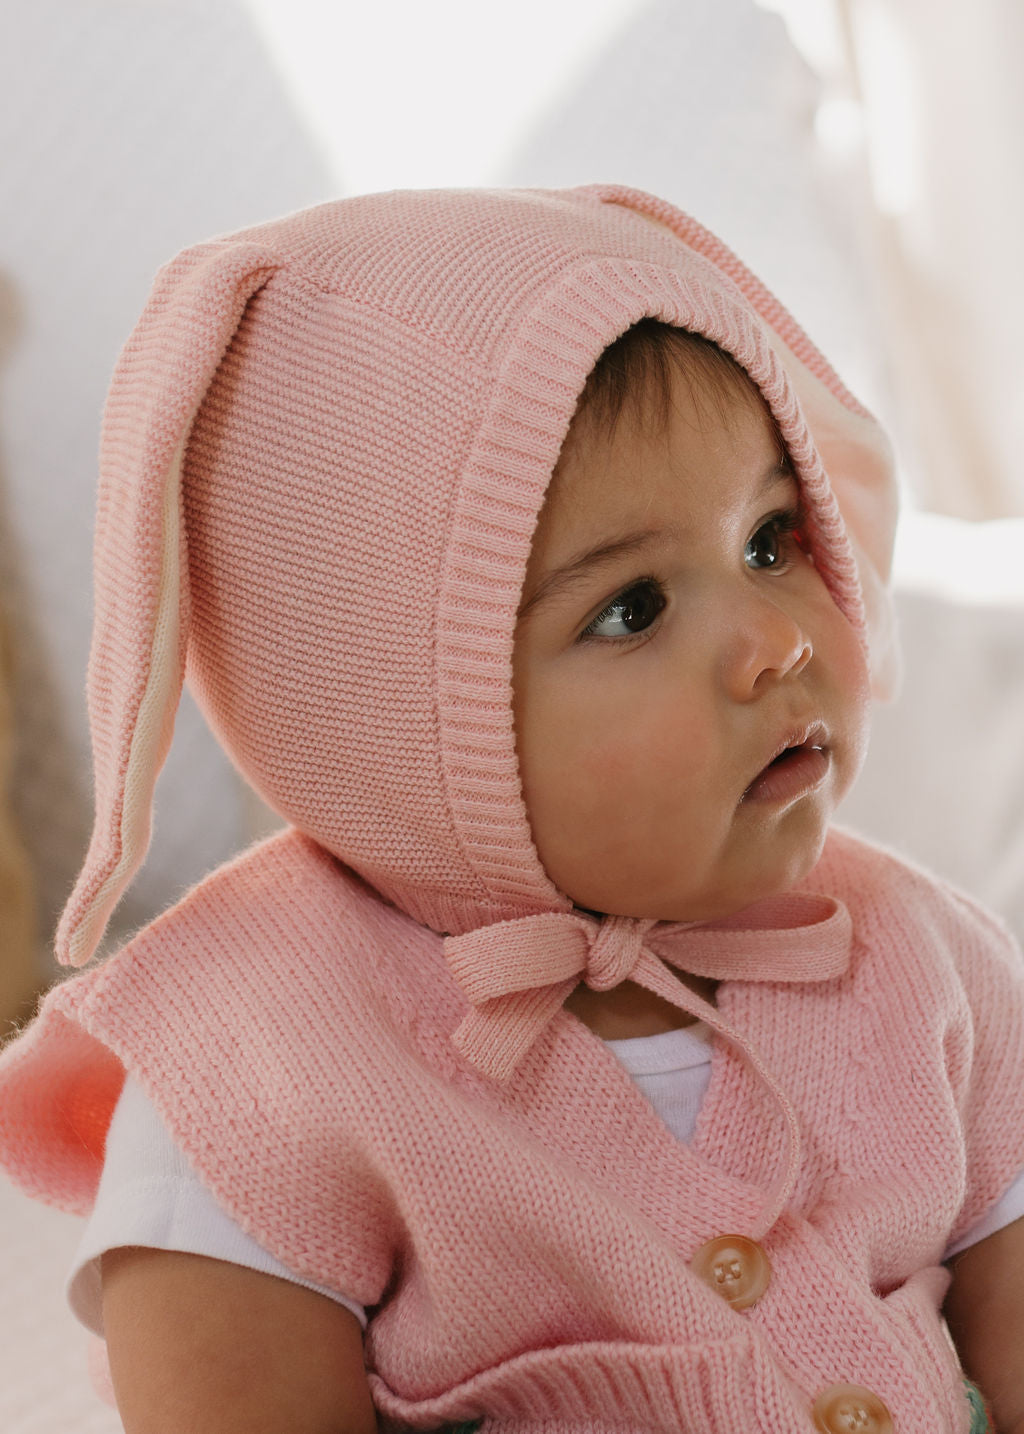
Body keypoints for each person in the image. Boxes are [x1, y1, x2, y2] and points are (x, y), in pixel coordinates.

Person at [0, 186, 1022, 1434]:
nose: (772, 641)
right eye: (632, 608)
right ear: (390, 707)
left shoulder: (925, 960)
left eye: (770, 538)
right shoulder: (258, 1073)